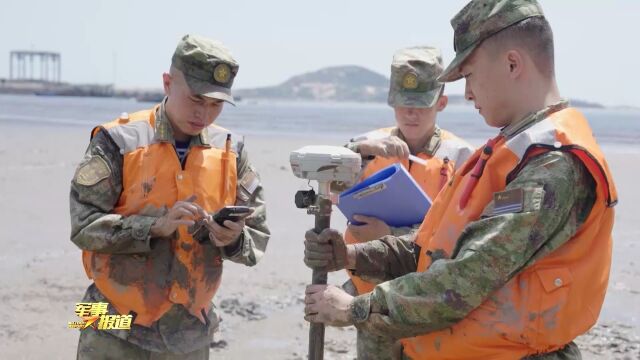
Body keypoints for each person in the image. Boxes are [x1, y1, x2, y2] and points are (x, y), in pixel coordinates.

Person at [302, 1, 617, 359]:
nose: (467, 93)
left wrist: (354, 309)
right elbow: (432, 249)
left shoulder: (553, 164)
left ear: (512, 64)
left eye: (469, 75)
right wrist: (355, 255)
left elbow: (462, 279)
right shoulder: (507, 152)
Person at [70, 34, 270, 359]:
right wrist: (154, 227)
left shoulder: (232, 151)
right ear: (167, 82)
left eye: (216, 104)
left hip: (189, 335)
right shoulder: (117, 141)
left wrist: (231, 239)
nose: (204, 114)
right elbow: (83, 227)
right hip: (109, 324)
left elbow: (256, 240)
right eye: (195, 99)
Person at [338, 46, 473, 354]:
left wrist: (387, 237)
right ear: (392, 101)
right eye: (403, 104)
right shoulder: (368, 145)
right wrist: (358, 149)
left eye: (422, 105)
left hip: (426, 302)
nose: (411, 113)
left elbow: (463, 238)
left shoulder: (461, 156)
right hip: (372, 295)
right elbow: (327, 182)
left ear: (441, 103)